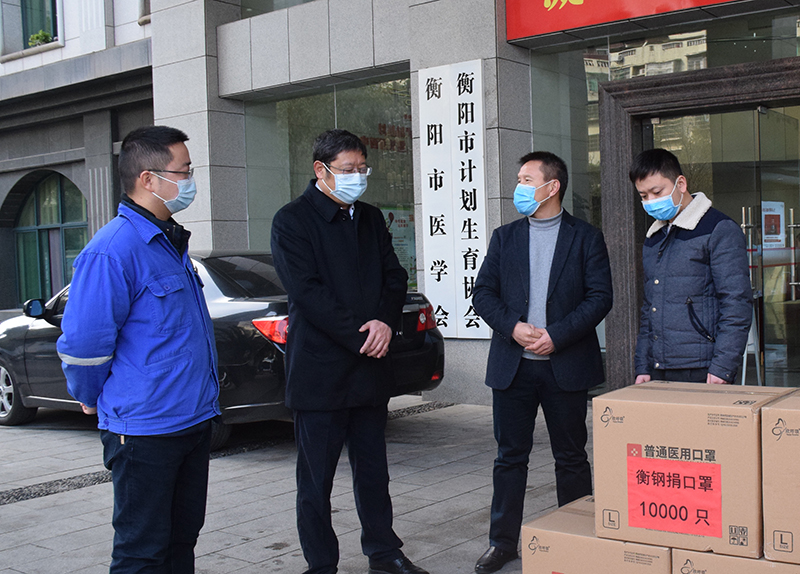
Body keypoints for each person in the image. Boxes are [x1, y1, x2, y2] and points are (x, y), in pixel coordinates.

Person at [57, 126, 220, 573]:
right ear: (148, 179)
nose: (190, 180)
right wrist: (89, 396)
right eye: (184, 171)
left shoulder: (169, 243)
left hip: (191, 419)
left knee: (181, 541)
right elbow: (84, 345)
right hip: (145, 430)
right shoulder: (113, 250)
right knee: (142, 551)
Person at [270, 129, 427, 574]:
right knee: (315, 480)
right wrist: (362, 334)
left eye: (362, 169)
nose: (357, 176)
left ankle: (384, 551)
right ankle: (321, 564)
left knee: (374, 471)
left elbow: (394, 276)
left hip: (370, 369)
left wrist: (383, 321)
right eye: (348, 170)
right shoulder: (292, 221)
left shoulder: (371, 218)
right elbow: (307, 292)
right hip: (321, 372)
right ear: (320, 170)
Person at [472, 151, 613, 573]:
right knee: (509, 458)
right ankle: (502, 543)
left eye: (526, 180)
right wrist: (512, 327)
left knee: (571, 457)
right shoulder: (505, 237)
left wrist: (558, 335)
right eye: (519, 179)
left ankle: (576, 538)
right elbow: (483, 294)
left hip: (563, 365)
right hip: (513, 366)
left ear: (552, 187)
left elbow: (600, 297)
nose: (518, 187)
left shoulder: (586, 237)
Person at [631, 148, 752, 385]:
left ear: (681, 184)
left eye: (657, 192)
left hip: (703, 367)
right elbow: (649, 308)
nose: (651, 201)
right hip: (658, 367)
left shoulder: (718, 229)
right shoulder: (654, 237)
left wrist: (723, 367)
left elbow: (736, 302)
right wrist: (642, 365)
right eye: (643, 195)